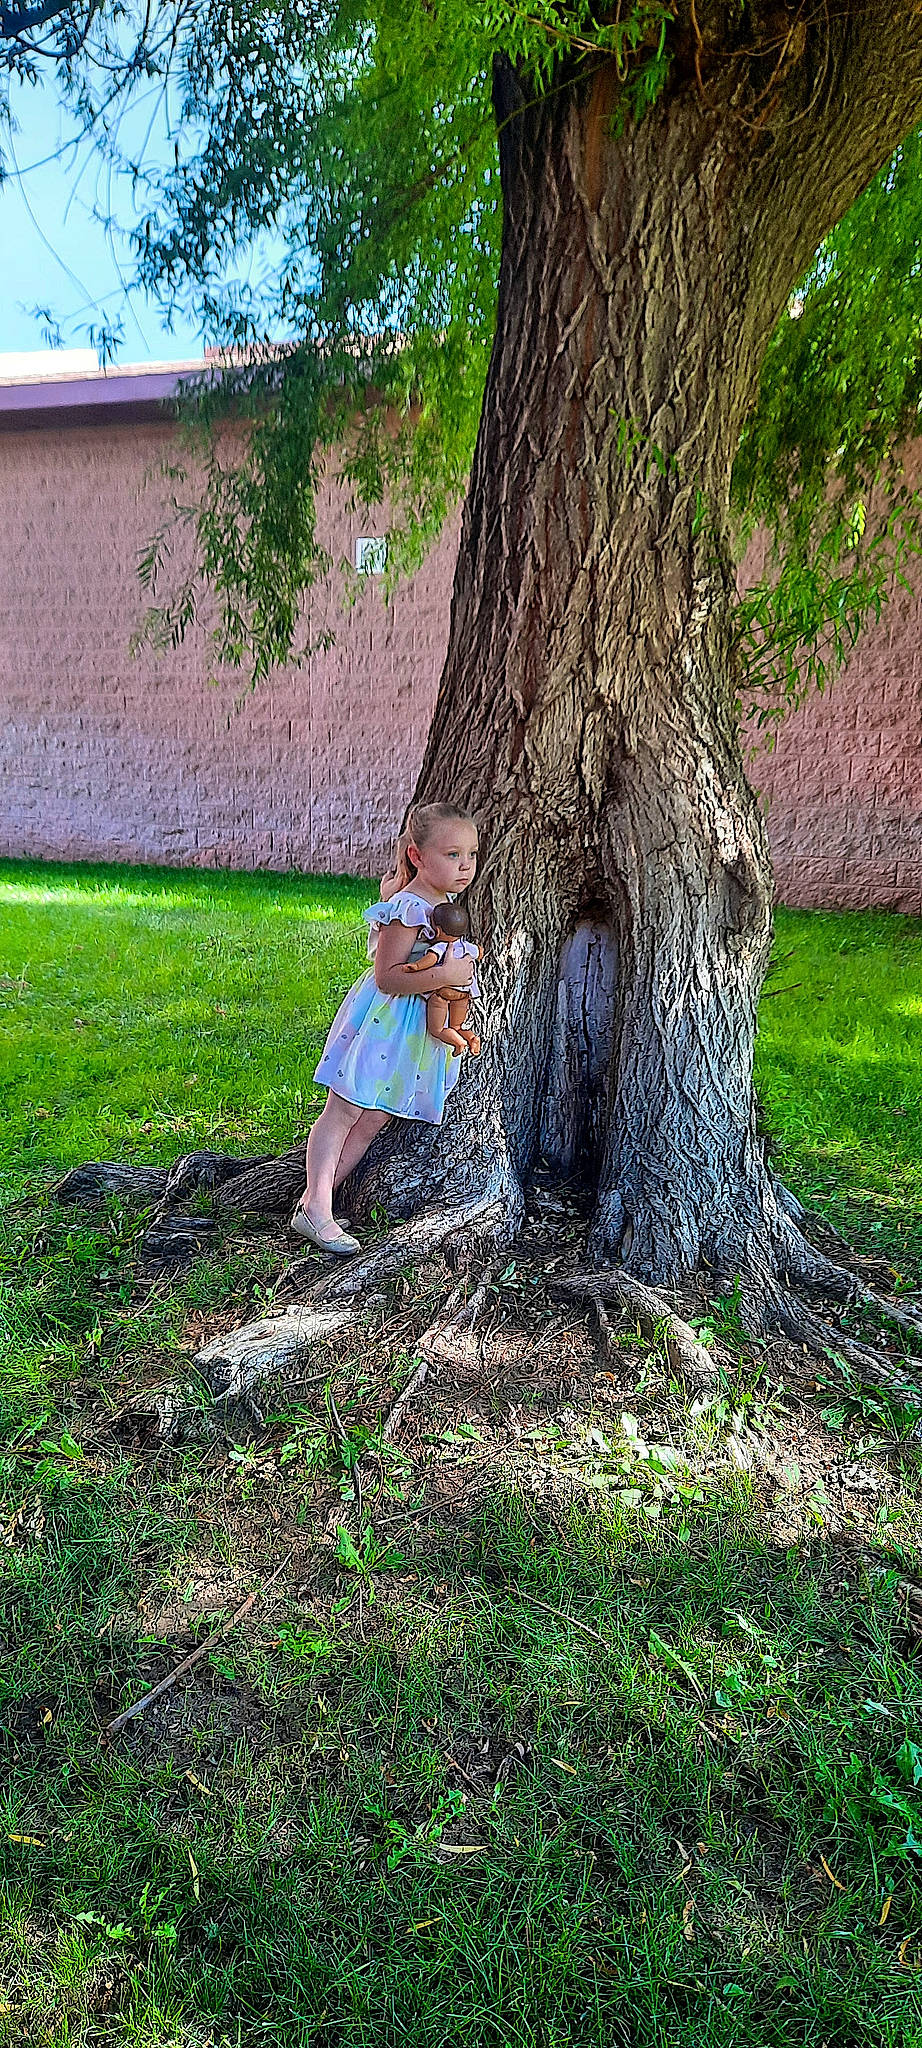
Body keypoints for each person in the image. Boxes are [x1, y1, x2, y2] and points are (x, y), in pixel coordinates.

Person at [290, 802, 479, 1254]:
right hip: (384, 1021)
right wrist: (447, 976)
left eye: (471, 854)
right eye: (452, 854)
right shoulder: (408, 908)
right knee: (344, 1110)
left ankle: (316, 1202)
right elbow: (388, 977)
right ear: (417, 856)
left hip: (409, 1031)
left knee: (374, 1116)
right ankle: (317, 1209)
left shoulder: (441, 902)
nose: (465, 866)